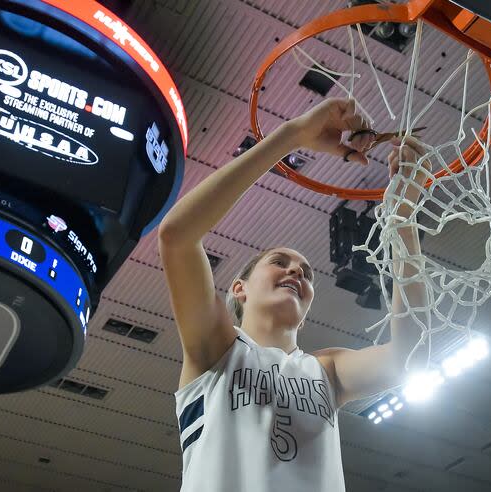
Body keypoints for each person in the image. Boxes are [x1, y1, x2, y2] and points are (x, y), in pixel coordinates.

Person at [158, 98, 430, 492]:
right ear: (240, 289)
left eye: (305, 273)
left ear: (306, 309)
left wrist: (403, 219)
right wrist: (291, 136)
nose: (295, 271)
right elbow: (176, 236)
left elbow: (410, 358)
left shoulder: (328, 370)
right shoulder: (216, 350)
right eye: (279, 262)